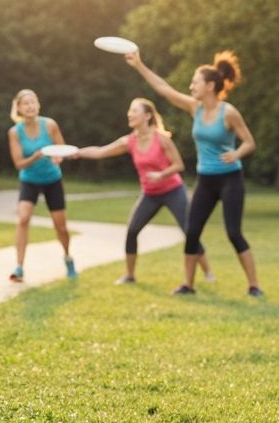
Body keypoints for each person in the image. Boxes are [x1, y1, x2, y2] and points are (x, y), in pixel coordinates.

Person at [126, 49, 263, 297]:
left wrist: (236, 154)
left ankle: (254, 285)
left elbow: (249, 142)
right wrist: (139, 65)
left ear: (210, 86)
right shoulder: (195, 108)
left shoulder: (228, 112)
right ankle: (188, 285)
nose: (191, 87)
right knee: (192, 232)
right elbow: (164, 90)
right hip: (206, 180)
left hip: (230, 178)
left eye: (195, 82)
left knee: (233, 232)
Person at [74, 98, 215, 285]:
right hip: (150, 194)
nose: (129, 114)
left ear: (147, 116)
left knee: (189, 231)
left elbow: (179, 165)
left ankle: (207, 272)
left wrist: (161, 174)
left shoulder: (162, 139)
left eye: (134, 111)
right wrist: (77, 152)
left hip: (173, 190)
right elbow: (101, 152)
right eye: (129, 111)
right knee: (132, 231)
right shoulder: (129, 141)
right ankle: (129, 275)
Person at [7, 89, 76, 282]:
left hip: (52, 179)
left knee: (60, 226)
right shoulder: (14, 132)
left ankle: (68, 257)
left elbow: (63, 151)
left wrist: (57, 157)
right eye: (25, 103)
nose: (30, 106)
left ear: (38, 105)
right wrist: (36, 156)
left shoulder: (50, 125)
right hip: (29, 179)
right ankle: (19, 267)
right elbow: (19, 164)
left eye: (33, 102)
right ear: (19, 108)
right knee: (23, 219)